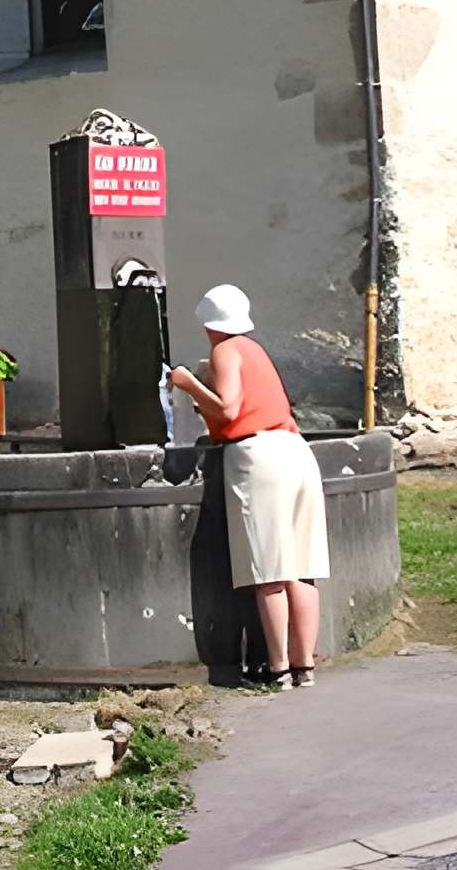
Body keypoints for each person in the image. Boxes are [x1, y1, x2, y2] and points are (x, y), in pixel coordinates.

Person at [168, 283, 328, 689]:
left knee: (269, 572)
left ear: (208, 324)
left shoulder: (225, 351)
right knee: (302, 570)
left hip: (259, 458)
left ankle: (277, 670)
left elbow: (229, 409)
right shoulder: (255, 350)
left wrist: (188, 383)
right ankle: (304, 666)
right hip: (296, 451)